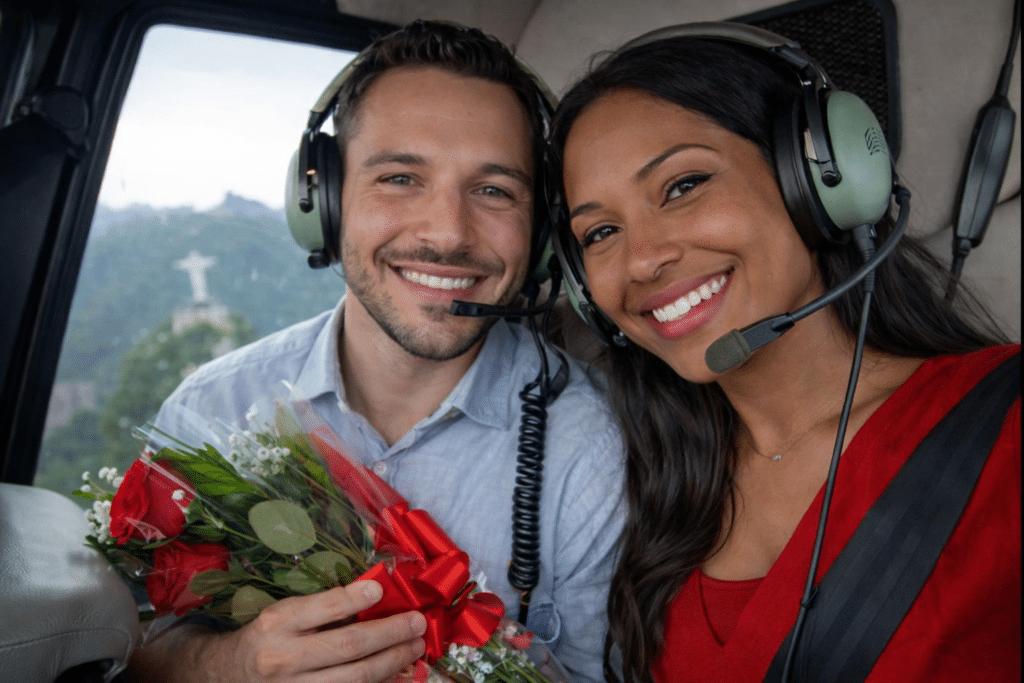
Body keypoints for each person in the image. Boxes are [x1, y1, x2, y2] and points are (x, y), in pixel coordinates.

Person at [125, 21, 623, 683]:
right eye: (399, 178)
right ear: (323, 201)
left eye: (495, 190)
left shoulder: (598, 445)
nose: (448, 233)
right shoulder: (212, 408)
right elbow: (139, 654)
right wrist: (229, 665)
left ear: (540, 237)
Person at [548, 23, 1020, 683]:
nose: (644, 259)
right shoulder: (653, 490)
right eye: (600, 231)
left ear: (820, 178)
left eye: (683, 186)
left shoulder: (1005, 431)